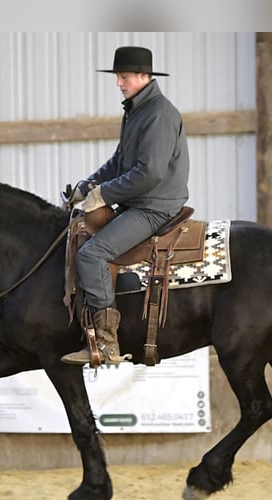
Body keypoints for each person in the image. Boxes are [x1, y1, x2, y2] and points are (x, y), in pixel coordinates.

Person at [61, 45, 190, 366]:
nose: (119, 83)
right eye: (119, 77)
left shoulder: (160, 114)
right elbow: (119, 161)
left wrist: (104, 195)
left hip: (154, 207)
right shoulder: (137, 111)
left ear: (145, 77)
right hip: (141, 203)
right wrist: (87, 186)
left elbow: (150, 173)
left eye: (125, 77)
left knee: (92, 254)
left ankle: (106, 343)